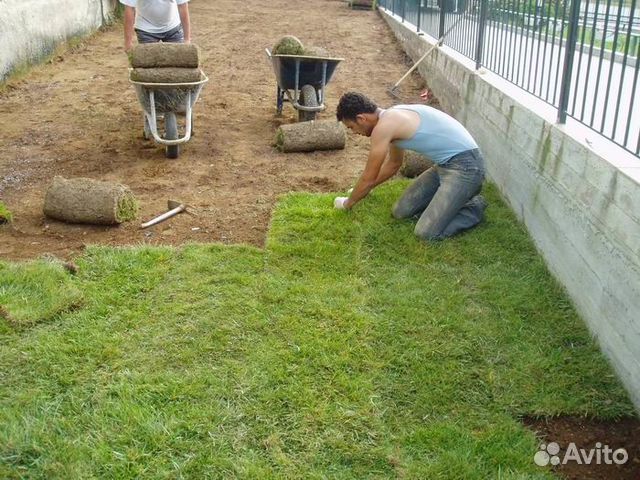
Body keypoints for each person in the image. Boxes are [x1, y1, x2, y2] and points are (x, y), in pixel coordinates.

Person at [334, 92, 487, 241]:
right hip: (443, 166)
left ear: (361, 118)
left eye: (351, 127)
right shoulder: (390, 118)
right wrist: (362, 190)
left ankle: (473, 206)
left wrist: (348, 203)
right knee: (401, 211)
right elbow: (394, 164)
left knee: (426, 233)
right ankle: (451, 200)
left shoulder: (384, 127)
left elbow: (368, 177)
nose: (354, 132)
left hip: (467, 168)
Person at [120, 0, 191, 52]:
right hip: (146, 29)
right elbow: (130, 9)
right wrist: (128, 42)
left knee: (178, 60)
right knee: (148, 63)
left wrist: (187, 38)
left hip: (172, 27)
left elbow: (182, 6)